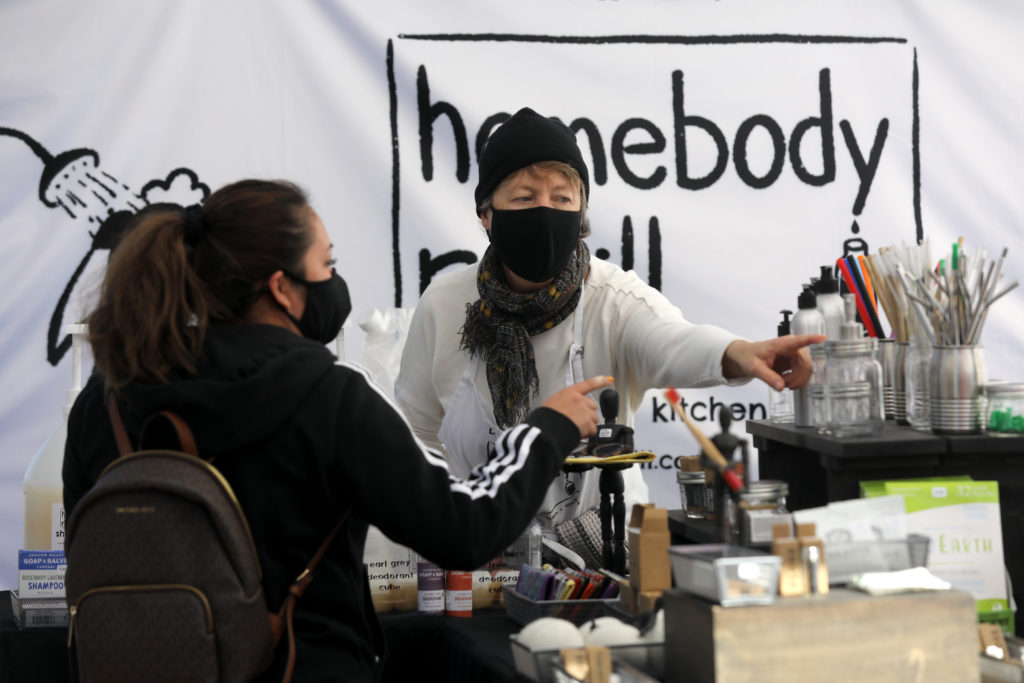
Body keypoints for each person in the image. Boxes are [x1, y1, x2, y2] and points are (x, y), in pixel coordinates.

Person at [62, 179, 610, 682]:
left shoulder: (106, 399)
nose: (335, 281)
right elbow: (463, 529)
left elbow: (85, 551)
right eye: (327, 264)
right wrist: (546, 431)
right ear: (282, 288)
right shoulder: (327, 395)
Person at [394, 107, 823, 558]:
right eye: (524, 198)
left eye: (562, 198)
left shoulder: (612, 298)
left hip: (608, 560)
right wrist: (446, 530)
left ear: (581, 211)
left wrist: (736, 353)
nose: (545, 211)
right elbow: (415, 435)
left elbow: (672, 341)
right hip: (478, 564)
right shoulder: (444, 304)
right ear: (486, 213)